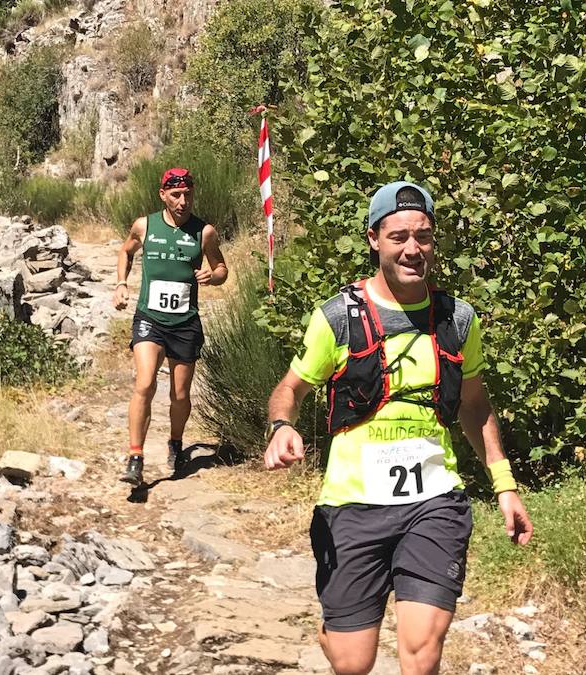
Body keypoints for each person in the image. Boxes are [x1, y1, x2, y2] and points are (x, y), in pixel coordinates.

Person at [263, 181, 533, 675]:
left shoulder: (457, 319)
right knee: (353, 662)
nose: (413, 249)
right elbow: (291, 389)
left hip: (434, 501)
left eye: (424, 236)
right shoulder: (337, 318)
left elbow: (475, 407)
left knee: (421, 650)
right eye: (399, 236)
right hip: (352, 505)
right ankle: (337, 630)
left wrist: (504, 484)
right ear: (374, 239)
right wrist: (282, 425)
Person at [114, 168, 228, 486]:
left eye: (188, 194)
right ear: (163, 195)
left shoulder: (204, 232)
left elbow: (221, 268)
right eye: (176, 195)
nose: (183, 201)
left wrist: (213, 276)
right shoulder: (144, 225)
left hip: (184, 322)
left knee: (180, 395)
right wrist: (121, 283)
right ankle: (135, 457)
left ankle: (175, 442)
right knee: (145, 384)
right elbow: (125, 251)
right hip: (150, 318)